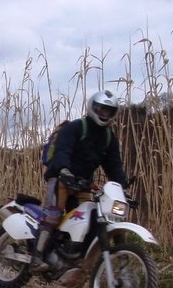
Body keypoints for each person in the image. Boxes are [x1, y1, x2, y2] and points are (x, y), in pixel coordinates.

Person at [29, 89, 130, 274]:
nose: (104, 114)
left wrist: (122, 188)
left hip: (83, 184)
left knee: (88, 220)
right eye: (101, 109)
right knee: (53, 215)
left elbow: (114, 165)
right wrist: (64, 170)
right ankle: (37, 256)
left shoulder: (108, 138)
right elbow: (62, 150)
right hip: (61, 178)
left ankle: (71, 257)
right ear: (93, 107)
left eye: (109, 111)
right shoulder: (75, 127)